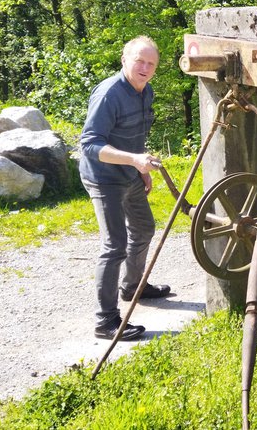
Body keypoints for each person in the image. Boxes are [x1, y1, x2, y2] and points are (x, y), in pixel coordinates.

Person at [79, 36, 171, 341]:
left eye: (151, 63)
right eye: (139, 61)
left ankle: (133, 287)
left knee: (144, 227)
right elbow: (90, 144)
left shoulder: (146, 92)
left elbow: (136, 134)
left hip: (129, 174)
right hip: (104, 177)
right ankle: (105, 322)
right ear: (124, 59)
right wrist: (134, 160)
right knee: (114, 244)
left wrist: (139, 167)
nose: (145, 68)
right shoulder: (109, 94)